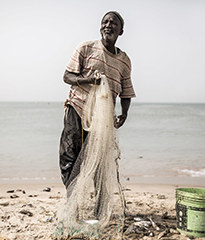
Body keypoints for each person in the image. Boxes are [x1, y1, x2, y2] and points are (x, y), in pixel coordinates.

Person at [59, 11, 136, 190]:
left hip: (103, 118)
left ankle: (99, 206)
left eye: (113, 23)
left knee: (99, 161)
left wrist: (124, 113)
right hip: (77, 108)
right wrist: (89, 81)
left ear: (121, 32)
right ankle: (72, 199)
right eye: (105, 22)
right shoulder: (86, 47)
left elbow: (126, 92)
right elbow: (67, 76)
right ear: (100, 26)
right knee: (70, 155)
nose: (108, 25)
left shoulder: (124, 61)